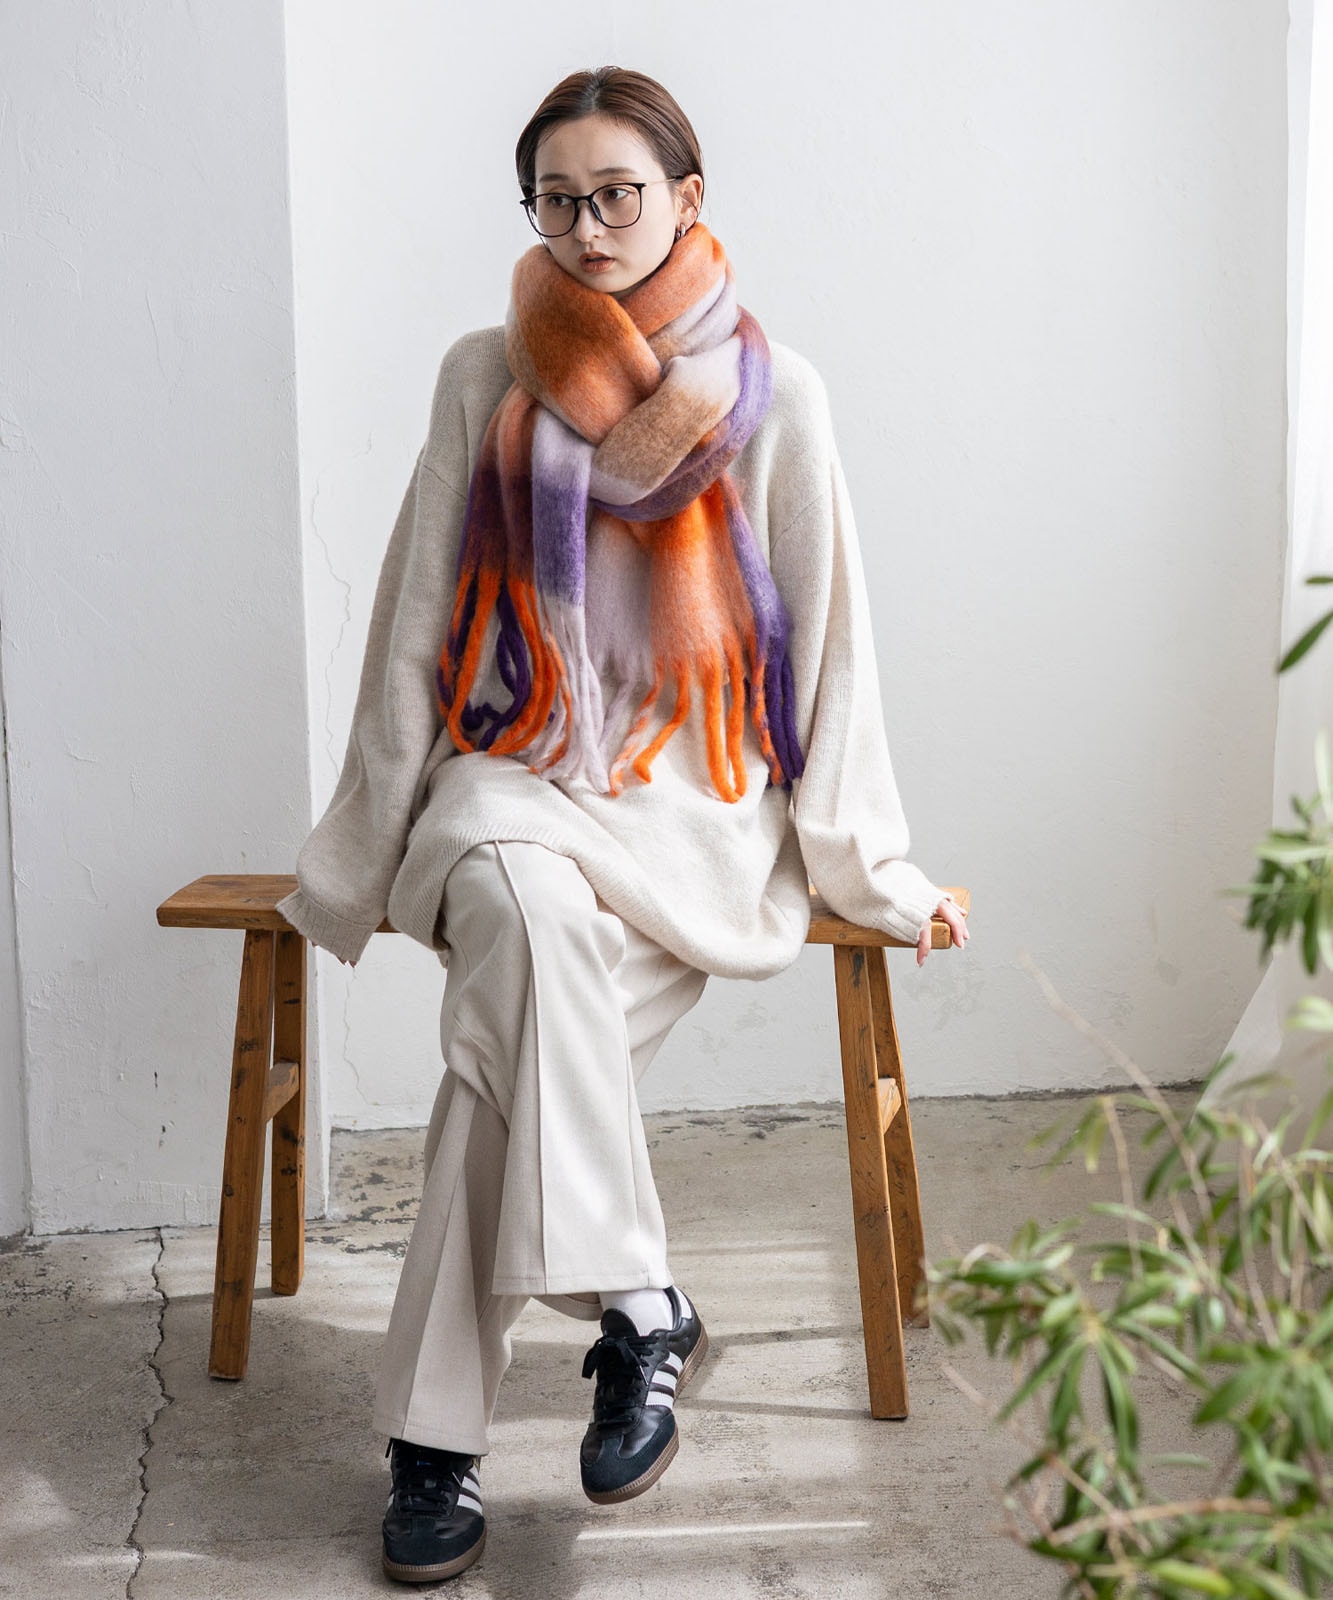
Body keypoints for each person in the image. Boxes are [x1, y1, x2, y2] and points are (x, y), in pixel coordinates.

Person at [276, 64, 970, 1586]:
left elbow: (830, 644)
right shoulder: (483, 374)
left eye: (616, 196)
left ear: (685, 198)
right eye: (555, 202)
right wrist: (362, 844)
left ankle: (438, 1445)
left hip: (686, 801)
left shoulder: (776, 396)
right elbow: (414, 617)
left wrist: (870, 866)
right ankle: (640, 1305)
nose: (585, 229)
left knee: (500, 1050)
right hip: (510, 767)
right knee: (515, 905)